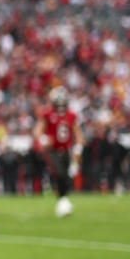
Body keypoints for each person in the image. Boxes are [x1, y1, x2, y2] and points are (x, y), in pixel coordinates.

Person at [33, 86, 84, 217]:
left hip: (66, 149)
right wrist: (44, 139)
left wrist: (78, 149)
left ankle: (63, 200)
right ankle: (63, 201)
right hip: (53, 150)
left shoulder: (71, 115)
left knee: (66, 177)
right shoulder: (48, 114)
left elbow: (77, 133)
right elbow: (38, 130)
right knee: (60, 174)